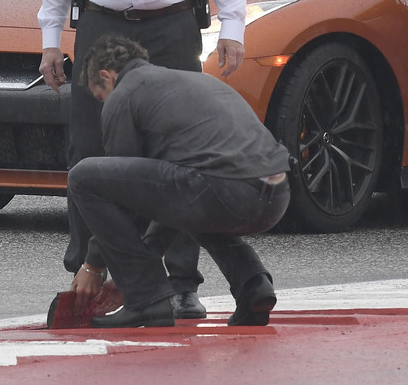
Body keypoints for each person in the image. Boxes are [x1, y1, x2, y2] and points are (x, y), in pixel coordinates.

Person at [37, 0, 248, 318]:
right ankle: (87, 272)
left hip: (170, 24)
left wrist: (233, 26)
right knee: (89, 146)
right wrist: (50, 39)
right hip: (103, 24)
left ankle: (179, 281)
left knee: (177, 152)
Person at [68, 34, 290, 328]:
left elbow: (122, 199)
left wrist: (93, 265)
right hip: (276, 194)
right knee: (197, 193)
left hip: (225, 190)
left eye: (101, 96)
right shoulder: (190, 82)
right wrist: (135, 268)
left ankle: (146, 300)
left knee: (83, 176)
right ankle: (252, 285)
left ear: (107, 76)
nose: (104, 104)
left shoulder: (125, 94)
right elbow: (172, 205)